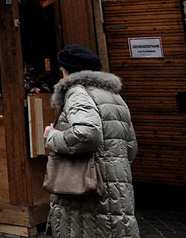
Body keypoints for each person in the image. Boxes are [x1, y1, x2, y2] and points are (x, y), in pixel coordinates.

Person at [44, 44, 139, 238]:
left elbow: (86, 134)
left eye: (62, 70)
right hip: (117, 189)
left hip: (88, 190)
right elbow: (131, 148)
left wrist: (52, 136)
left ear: (68, 71)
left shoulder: (78, 92)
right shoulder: (114, 96)